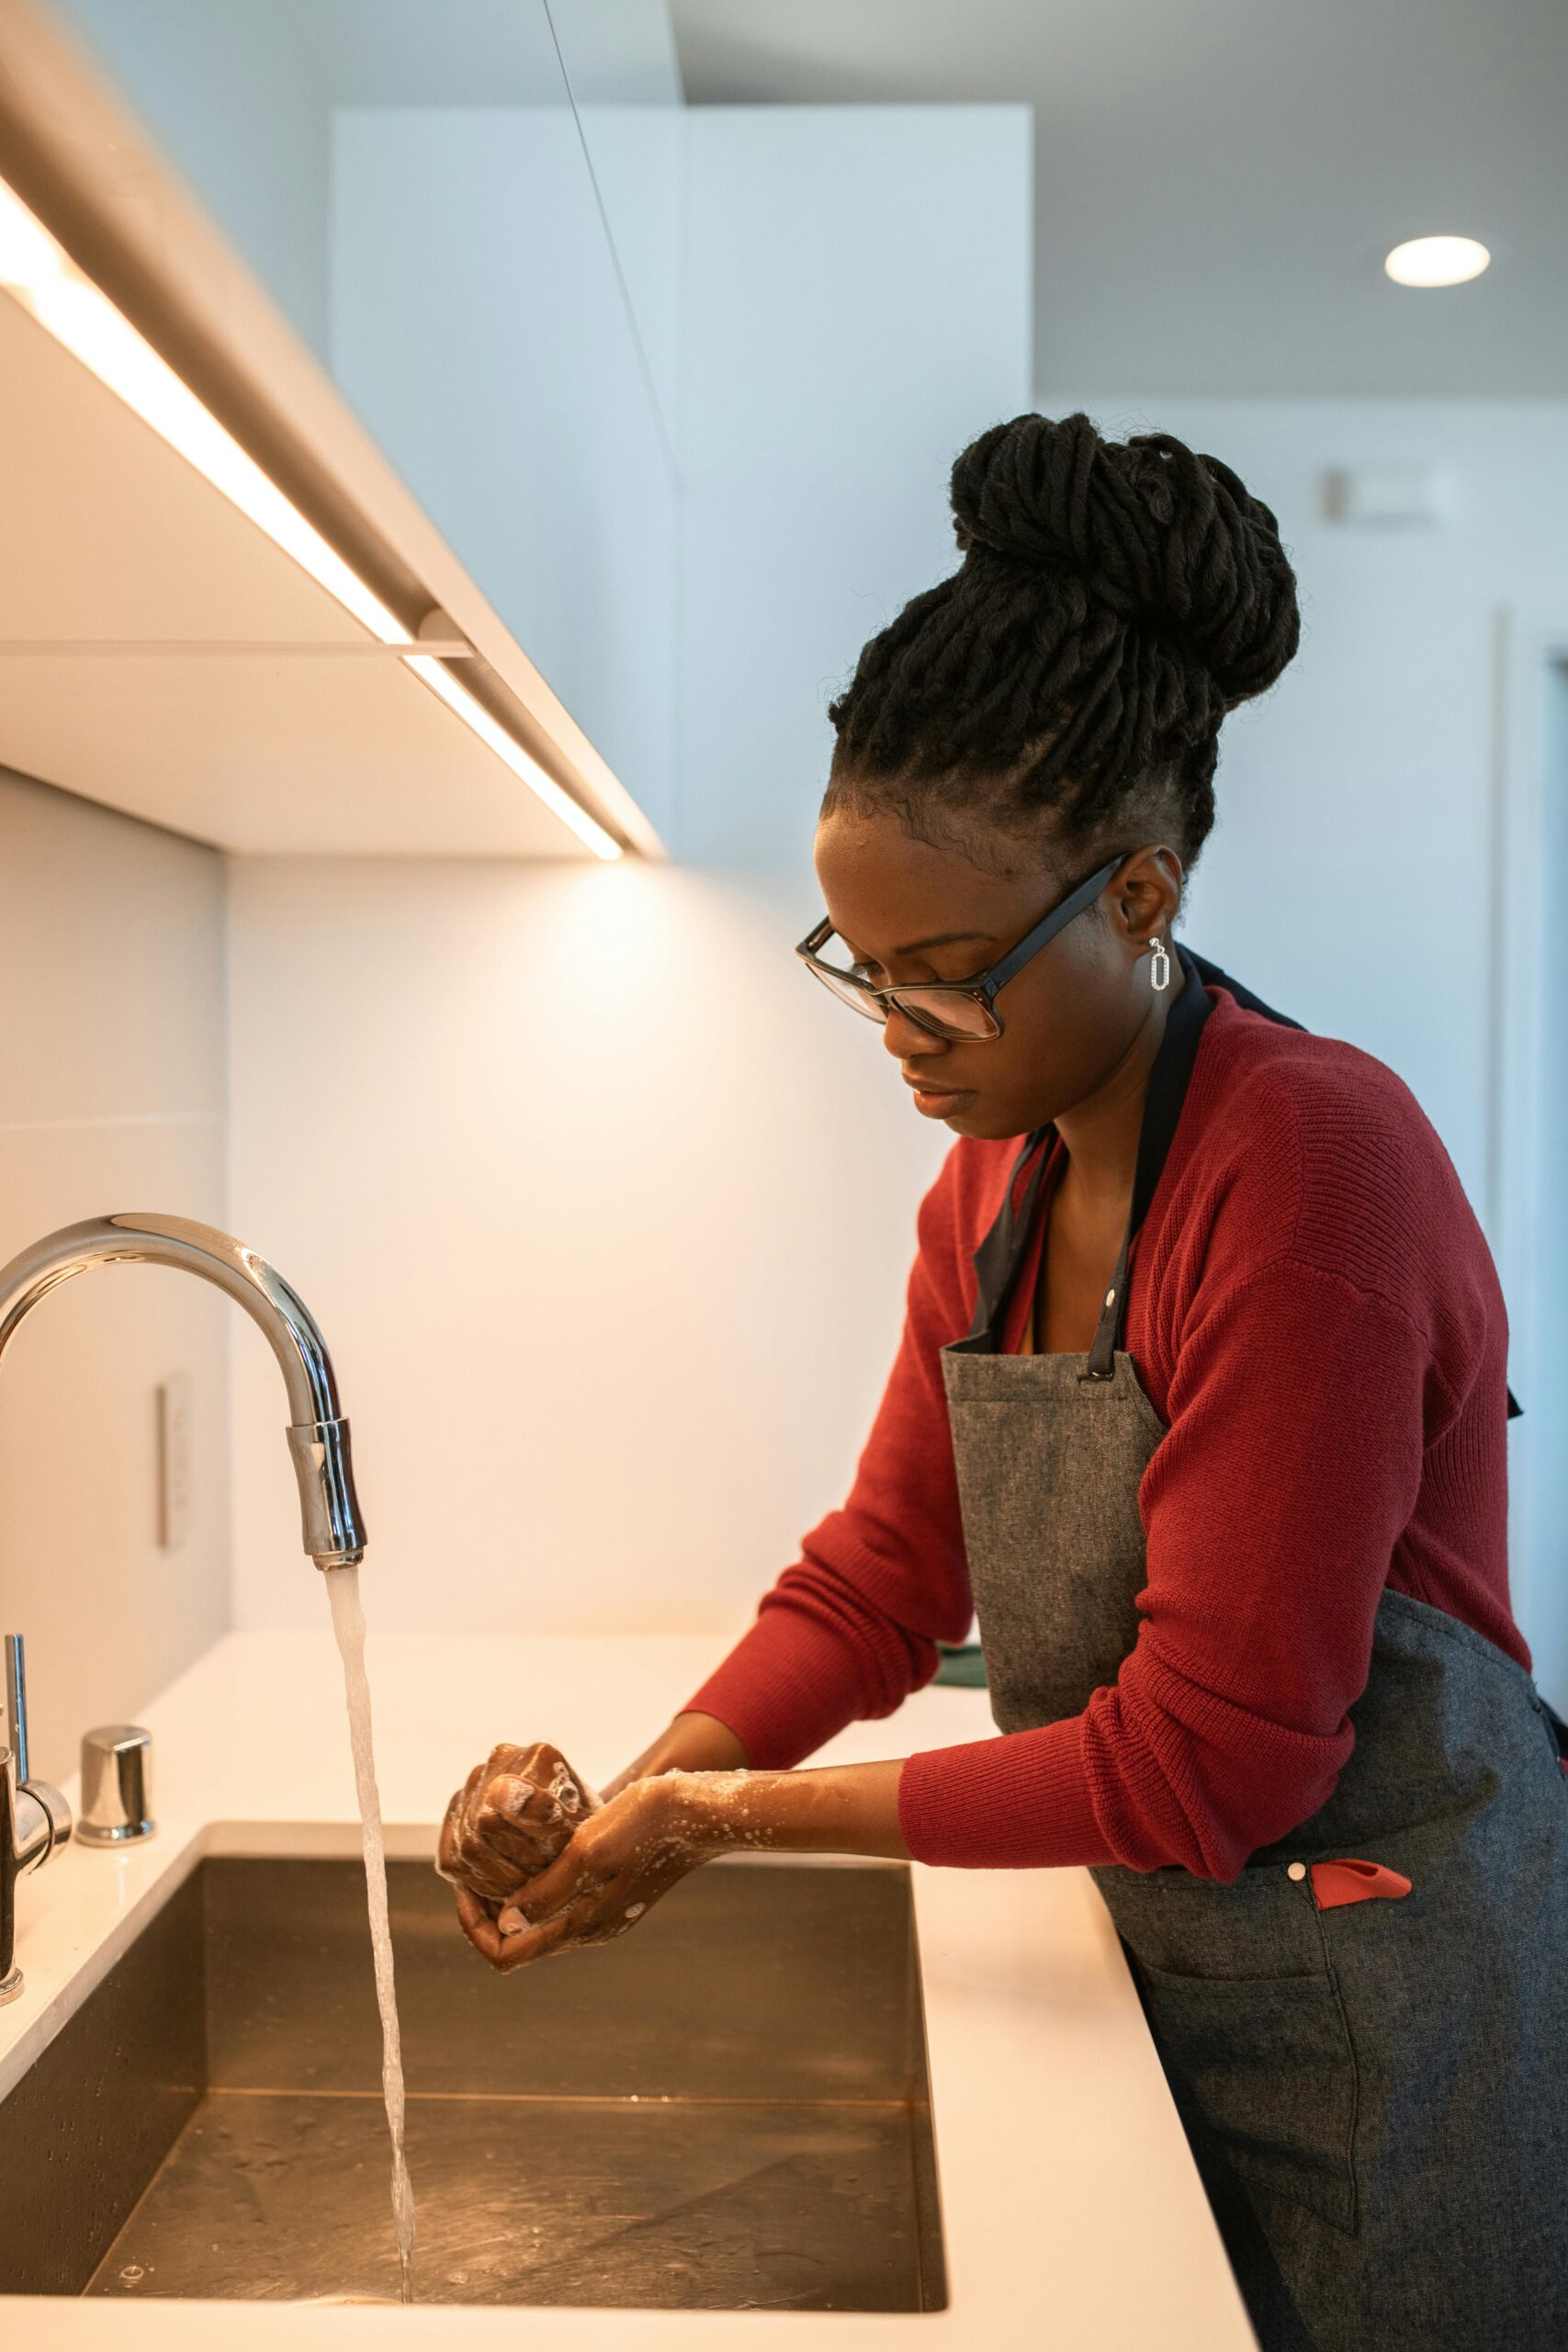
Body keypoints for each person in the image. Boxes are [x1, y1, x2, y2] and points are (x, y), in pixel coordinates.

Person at [439, 412, 1568, 2352]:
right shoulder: (992, 1167)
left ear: (1135, 895)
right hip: (1170, 1962)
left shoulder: (1308, 1172)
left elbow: (1216, 1756)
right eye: (858, 962)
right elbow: (884, 1573)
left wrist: (724, 1823)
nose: (894, 1028)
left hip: (1395, 2011)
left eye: (942, 969)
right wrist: (640, 1792)